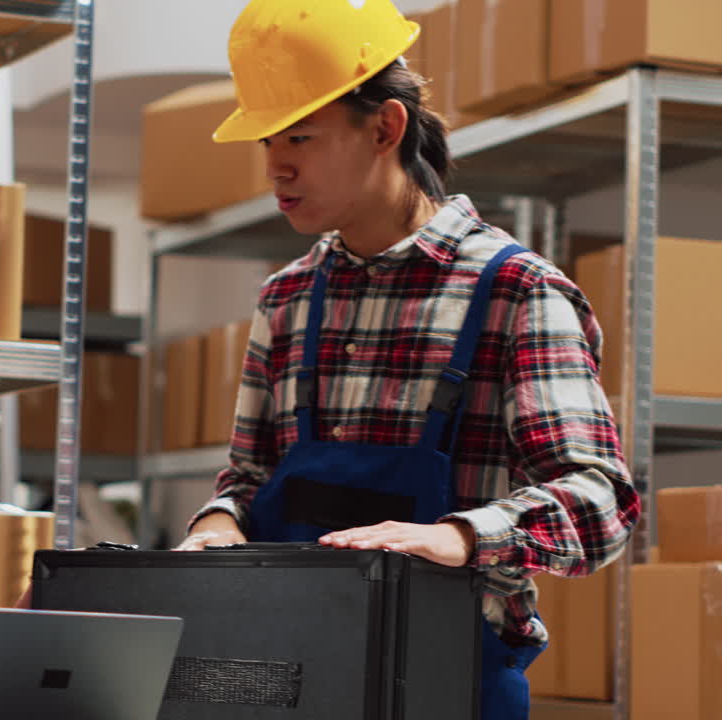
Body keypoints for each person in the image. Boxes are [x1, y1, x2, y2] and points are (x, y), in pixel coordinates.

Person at [175, 1, 641, 718]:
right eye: (267, 138)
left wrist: (457, 534)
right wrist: (217, 522)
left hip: (449, 677)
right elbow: (251, 473)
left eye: (300, 134)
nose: (276, 164)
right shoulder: (288, 298)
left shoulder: (517, 292)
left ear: (386, 127)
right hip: (280, 675)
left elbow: (601, 500)